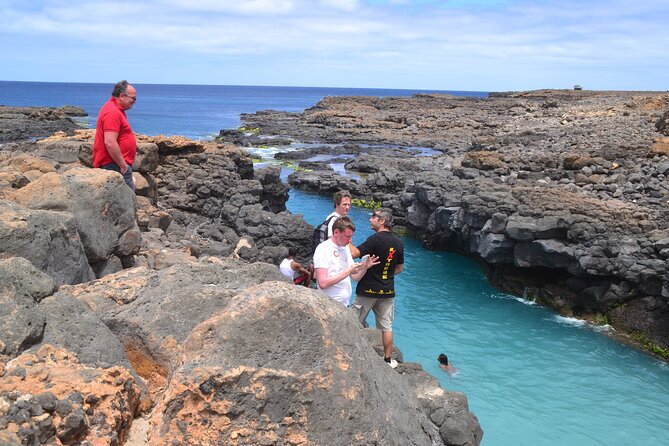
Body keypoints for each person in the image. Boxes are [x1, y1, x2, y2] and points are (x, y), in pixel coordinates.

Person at [351, 208, 404, 368]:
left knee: (353, 322)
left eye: (374, 217)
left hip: (367, 290)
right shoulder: (398, 242)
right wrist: (385, 275)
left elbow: (354, 253)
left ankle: (349, 354)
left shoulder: (375, 240)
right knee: (386, 327)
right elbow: (400, 268)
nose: (370, 219)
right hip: (387, 291)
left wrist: (345, 239)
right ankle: (388, 360)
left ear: (382, 221)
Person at [313, 216, 376, 306]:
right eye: (347, 237)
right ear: (336, 232)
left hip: (344, 304)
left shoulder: (345, 247)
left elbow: (355, 277)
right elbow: (322, 283)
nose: (350, 240)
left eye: (351, 237)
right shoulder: (323, 249)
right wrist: (348, 272)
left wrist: (365, 267)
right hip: (328, 304)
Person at [92, 80, 138, 190]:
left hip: (116, 164)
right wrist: (123, 167)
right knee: (125, 203)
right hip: (113, 165)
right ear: (122, 96)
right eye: (133, 98)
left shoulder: (116, 109)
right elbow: (110, 142)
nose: (134, 101)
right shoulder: (113, 112)